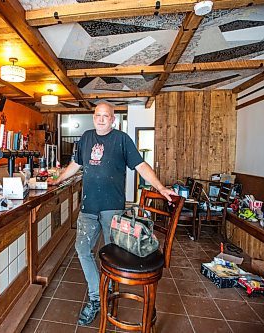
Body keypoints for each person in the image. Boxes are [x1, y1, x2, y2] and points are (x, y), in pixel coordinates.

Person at [48, 102, 177, 326]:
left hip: (113, 208)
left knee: (112, 254)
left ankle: (108, 291)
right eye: (97, 115)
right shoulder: (86, 138)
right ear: (93, 116)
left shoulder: (122, 139)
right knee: (82, 249)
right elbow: (75, 165)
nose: (100, 119)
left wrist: (160, 187)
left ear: (112, 119)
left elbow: (141, 166)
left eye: (105, 116)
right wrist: (57, 179)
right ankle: (97, 297)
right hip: (88, 207)